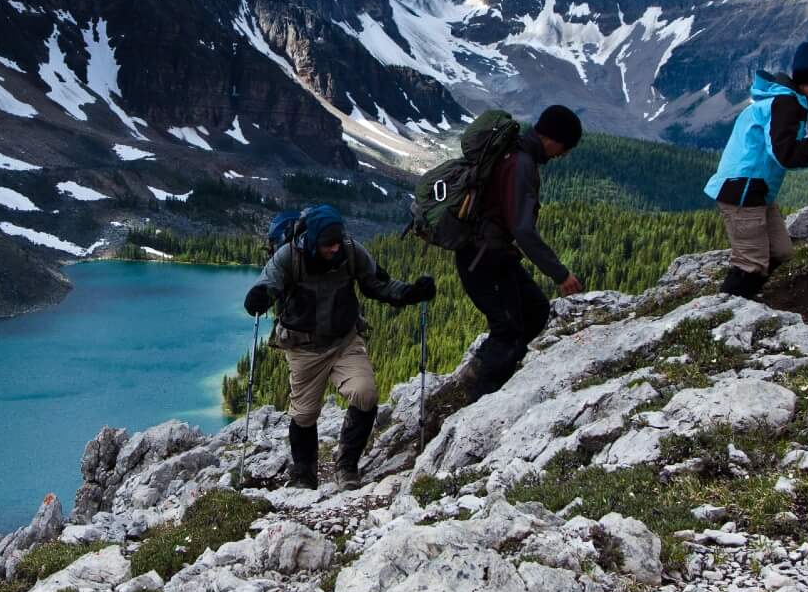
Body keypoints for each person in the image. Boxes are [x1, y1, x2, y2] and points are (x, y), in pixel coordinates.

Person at [242, 204, 435, 489]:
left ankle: (347, 466)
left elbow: (377, 283)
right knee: (304, 415)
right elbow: (268, 283)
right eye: (326, 245)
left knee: (365, 394)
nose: (333, 249)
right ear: (311, 241)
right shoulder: (288, 256)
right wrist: (260, 297)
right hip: (303, 348)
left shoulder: (350, 250)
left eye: (336, 243)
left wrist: (410, 292)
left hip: (345, 341)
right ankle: (304, 475)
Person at [433, 105, 586, 417]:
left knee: (535, 310)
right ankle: (478, 405)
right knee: (508, 332)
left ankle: (492, 369)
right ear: (552, 139)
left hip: (494, 255)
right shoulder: (521, 164)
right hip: (484, 259)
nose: (564, 154)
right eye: (565, 147)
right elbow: (523, 230)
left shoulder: (513, 154)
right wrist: (560, 274)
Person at [703, 42, 808, 298]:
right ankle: (726, 314)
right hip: (743, 191)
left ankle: (748, 298)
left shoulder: (786, 101)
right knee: (750, 264)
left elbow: (785, 150)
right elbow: (785, 154)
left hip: (755, 191)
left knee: (780, 252)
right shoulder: (784, 103)